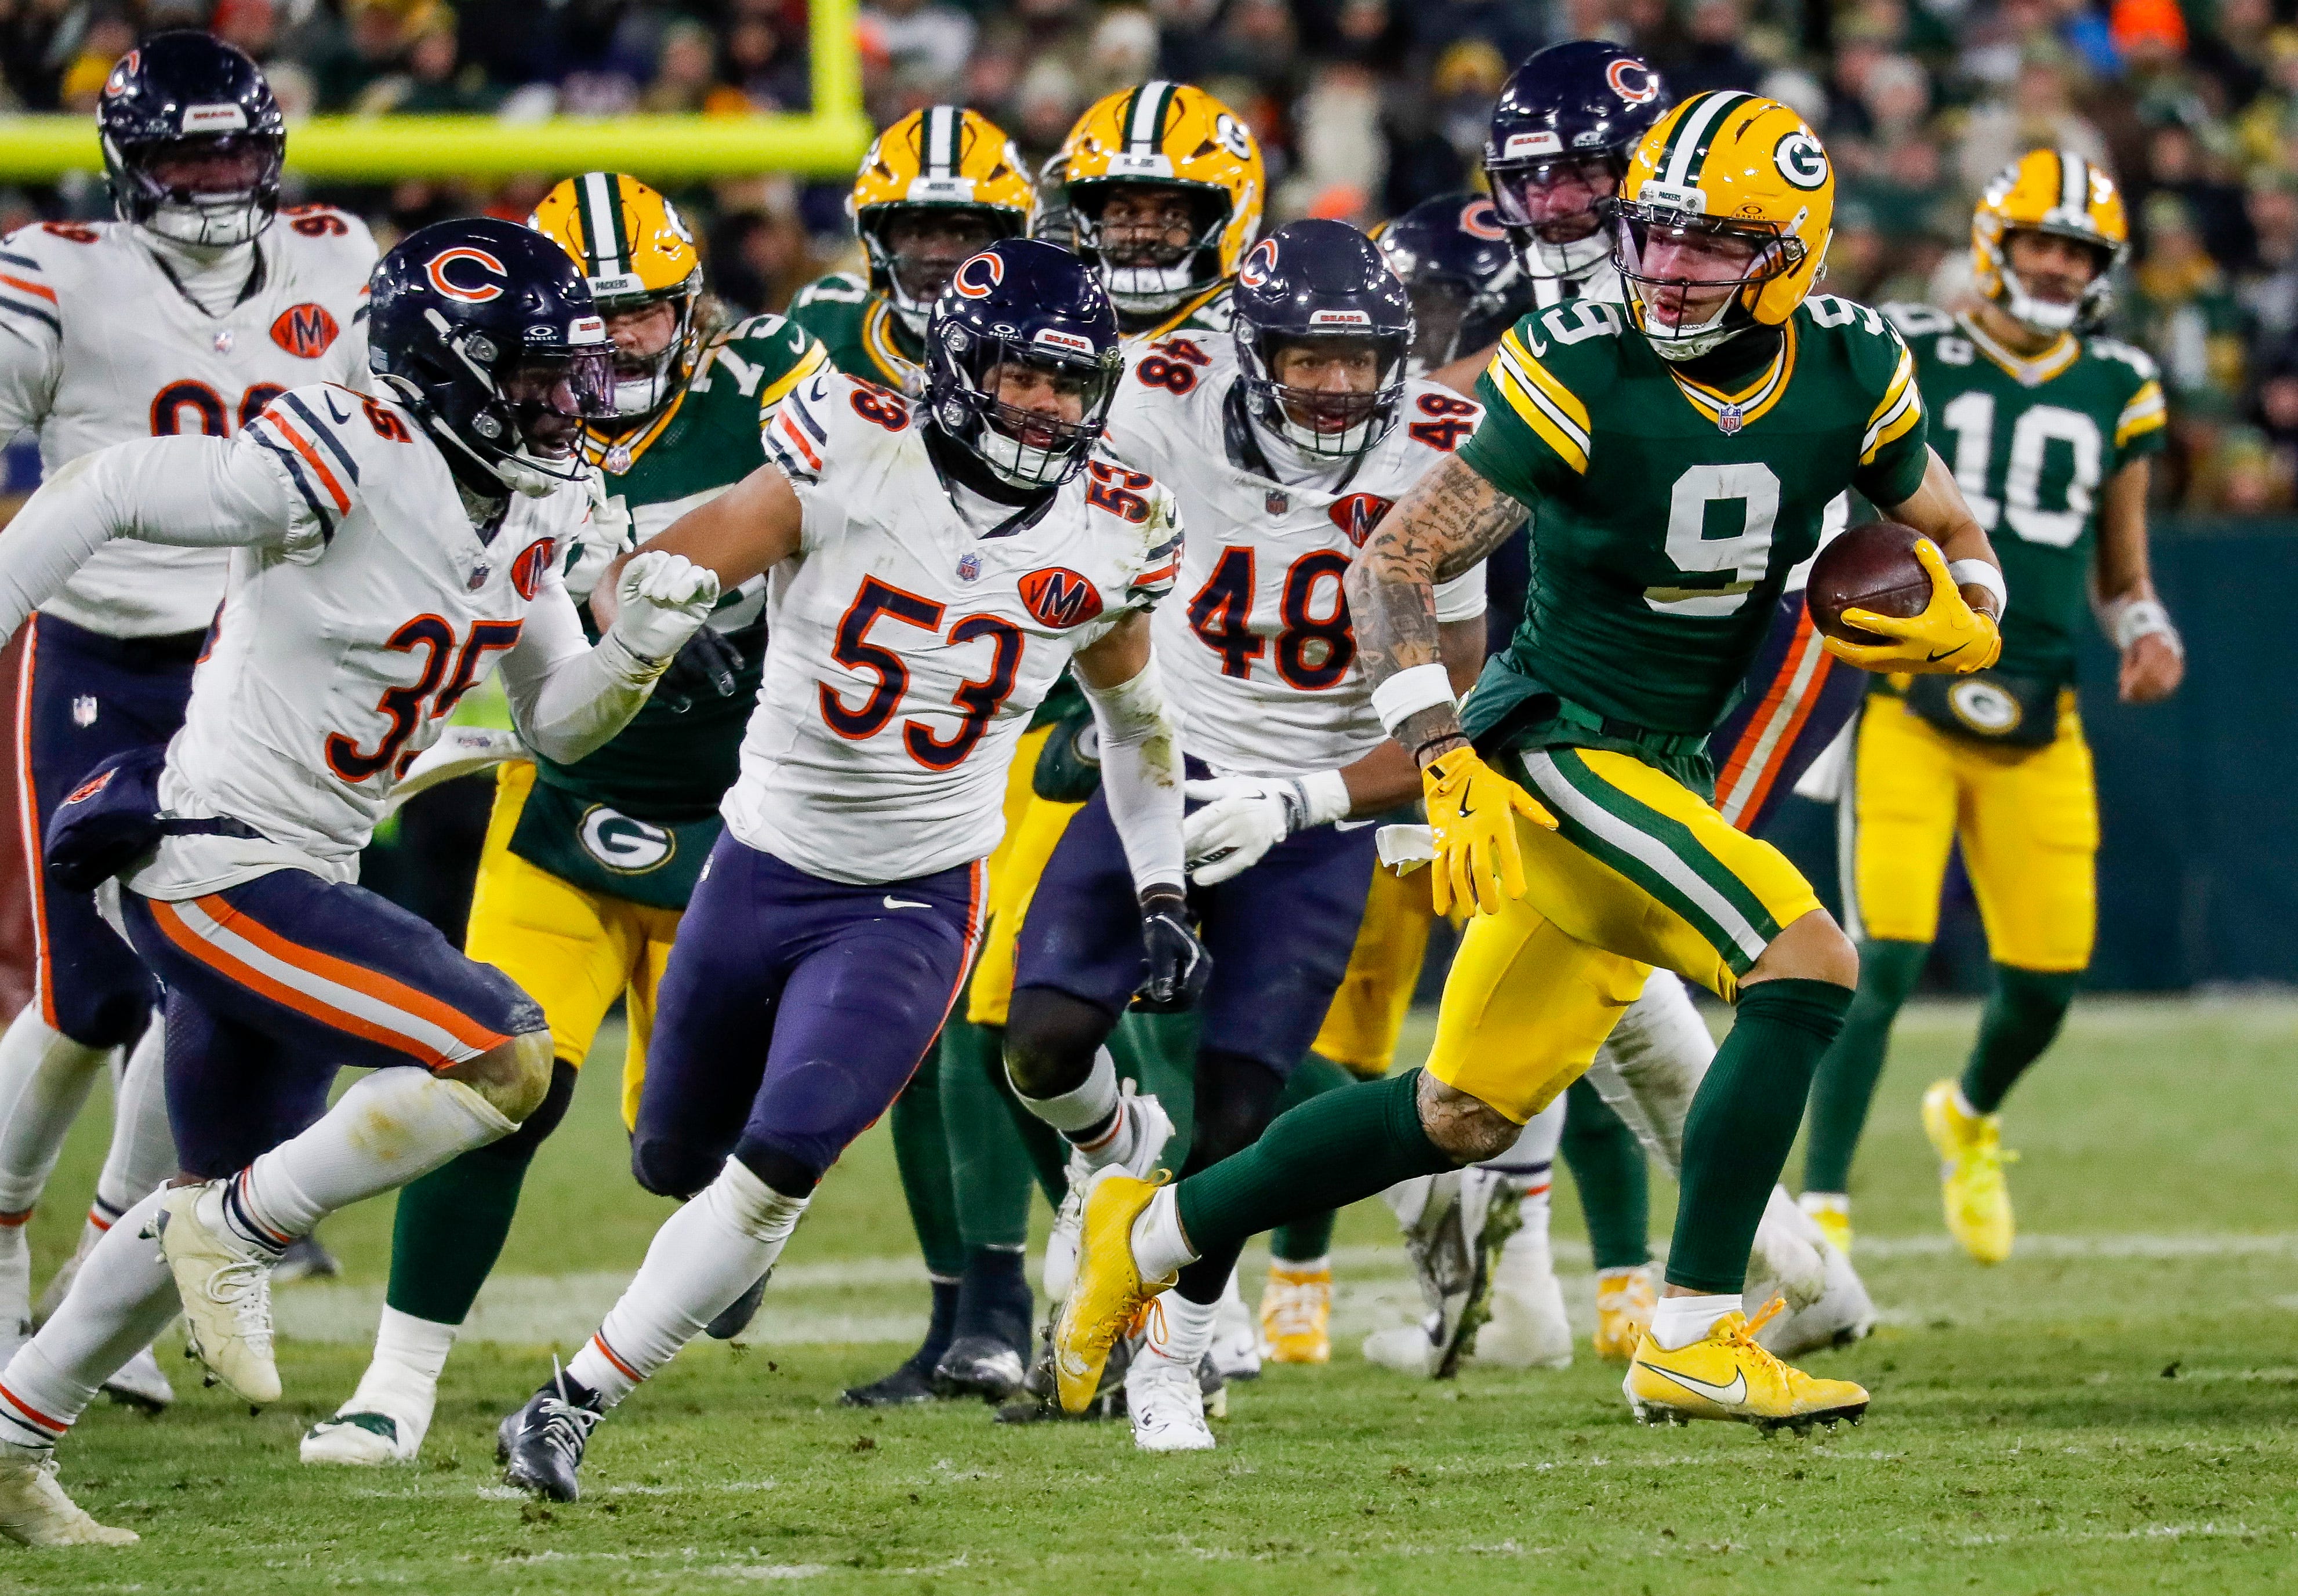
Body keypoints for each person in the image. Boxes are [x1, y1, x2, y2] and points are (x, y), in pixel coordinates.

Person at [1051, 91, 2010, 1434]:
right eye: (1658, 233)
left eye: (1714, 244)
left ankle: (1145, 1240)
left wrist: (1976, 603)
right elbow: (1397, 559)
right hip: (1558, 743)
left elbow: (1948, 521)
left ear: (1793, 251)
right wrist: (1435, 743)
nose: (1670, 268)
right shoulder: (1578, 360)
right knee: (1807, 962)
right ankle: (1691, 1332)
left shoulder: (1854, 367)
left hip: (1662, 759)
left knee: (1459, 1114)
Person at [0, 216, 719, 1546]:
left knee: (189, 1222)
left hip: (305, 861)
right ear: (445, 371)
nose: (569, 404)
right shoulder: (343, 450)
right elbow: (94, 495)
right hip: (215, 857)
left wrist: (644, 648)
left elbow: (554, 721)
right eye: (536, 378)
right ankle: (236, 1224)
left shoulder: (536, 500)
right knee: (506, 1059)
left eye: (572, 376)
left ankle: (11, 1440)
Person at [495, 239, 1199, 1502]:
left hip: (916, 893)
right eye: (1018, 374)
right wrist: (648, 618)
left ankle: (568, 1402)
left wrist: (1162, 888)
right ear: (954, 366)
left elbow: (1136, 720)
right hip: (758, 861)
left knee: (779, 1166)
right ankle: (719, 1237)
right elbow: (643, 567)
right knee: (672, 1156)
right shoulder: (846, 446)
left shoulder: (1115, 525)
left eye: (1067, 381)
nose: (1044, 404)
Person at [299, 173, 826, 1466]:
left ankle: (712, 1210)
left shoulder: (776, 385)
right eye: (587, 315)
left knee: (684, 1155)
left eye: (641, 313)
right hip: (565, 807)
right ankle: (396, 1380)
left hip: (743, 823)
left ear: (688, 307)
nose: (614, 342)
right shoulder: (491, 414)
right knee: (495, 1080)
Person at [1000, 219, 1490, 1450]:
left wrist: (1325, 796)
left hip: (1314, 798)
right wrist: (1084, 711)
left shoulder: (1445, 448)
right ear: (1245, 345)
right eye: (1302, 355)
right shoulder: (1156, 401)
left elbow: (1458, 698)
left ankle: (1178, 1353)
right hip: (1173, 758)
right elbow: (1056, 554)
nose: (1334, 383)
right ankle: (1120, 1145)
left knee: (1242, 1118)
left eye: (1356, 357)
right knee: (1042, 1039)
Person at [0, 31, 375, 1406]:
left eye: (234, 150)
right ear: (128, 165)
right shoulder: (56, 276)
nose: (216, 181)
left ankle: (117, 1277)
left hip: (269, 663)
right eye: (186, 154)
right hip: (105, 646)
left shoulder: (339, 259)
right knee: (89, 995)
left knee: (213, 969)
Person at [1800, 150, 2180, 1264]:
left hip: (2040, 714)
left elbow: (2120, 566)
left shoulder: (2117, 381)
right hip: (1908, 705)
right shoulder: (1905, 344)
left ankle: (1966, 1113)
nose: (2059, 267)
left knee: (2046, 985)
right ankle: (1822, 1205)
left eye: (2079, 252)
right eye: (2041, 243)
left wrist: (2146, 627)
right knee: (1884, 957)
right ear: (1992, 242)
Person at [784, 107, 1065, 1408]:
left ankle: (1043, 1290)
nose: (946, 254)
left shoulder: (1065, 334)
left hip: (1007, 704)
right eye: (921, 229)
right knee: (908, 1018)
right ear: (872, 238)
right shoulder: (811, 341)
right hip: (857, 709)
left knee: (993, 1010)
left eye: (969, 228)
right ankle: (963, 1304)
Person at [787, 106, 1033, 397]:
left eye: (964, 233)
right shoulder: (827, 322)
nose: (938, 254)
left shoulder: (1046, 341)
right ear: (876, 238)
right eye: (917, 232)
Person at [1058, 79, 1265, 341]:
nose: (1145, 234)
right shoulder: (1057, 318)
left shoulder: (1250, 340)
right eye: (1124, 214)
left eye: (1172, 216)